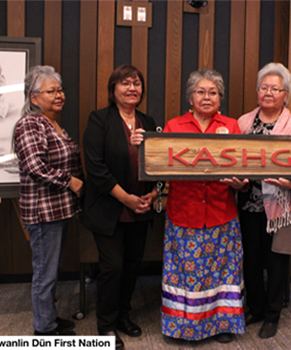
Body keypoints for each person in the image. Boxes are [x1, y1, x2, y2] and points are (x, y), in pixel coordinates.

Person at [161, 69, 245, 344]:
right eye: (201, 91)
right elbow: (163, 166)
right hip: (185, 211)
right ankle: (183, 328)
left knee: (222, 273)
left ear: (220, 97)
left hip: (222, 211)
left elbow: (243, 168)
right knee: (186, 274)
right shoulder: (174, 126)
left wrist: (240, 184)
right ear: (190, 96)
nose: (207, 97)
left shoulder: (232, 126)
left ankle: (221, 326)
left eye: (213, 92)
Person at [82, 65, 157, 349]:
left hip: (141, 206)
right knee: (112, 267)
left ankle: (123, 315)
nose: (132, 88)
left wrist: (151, 193)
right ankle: (106, 326)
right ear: (113, 89)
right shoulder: (100, 119)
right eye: (125, 83)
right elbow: (96, 168)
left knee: (132, 265)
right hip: (110, 208)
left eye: (137, 83)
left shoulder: (148, 121)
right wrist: (125, 198)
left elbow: (158, 163)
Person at [235, 63, 291, 339]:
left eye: (275, 89)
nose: (268, 93)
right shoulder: (243, 122)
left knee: (276, 260)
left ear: (285, 95)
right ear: (257, 92)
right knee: (251, 259)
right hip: (248, 202)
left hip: (279, 205)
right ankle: (256, 307)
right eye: (264, 87)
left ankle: (273, 314)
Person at [14, 65, 83, 335]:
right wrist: (71, 181)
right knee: (44, 272)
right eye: (51, 91)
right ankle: (44, 329)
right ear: (34, 97)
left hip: (58, 211)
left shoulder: (52, 123)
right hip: (43, 214)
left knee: (51, 269)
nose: (59, 95)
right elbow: (35, 166)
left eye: (60, 90)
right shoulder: (30, 123)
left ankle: (49, 317)